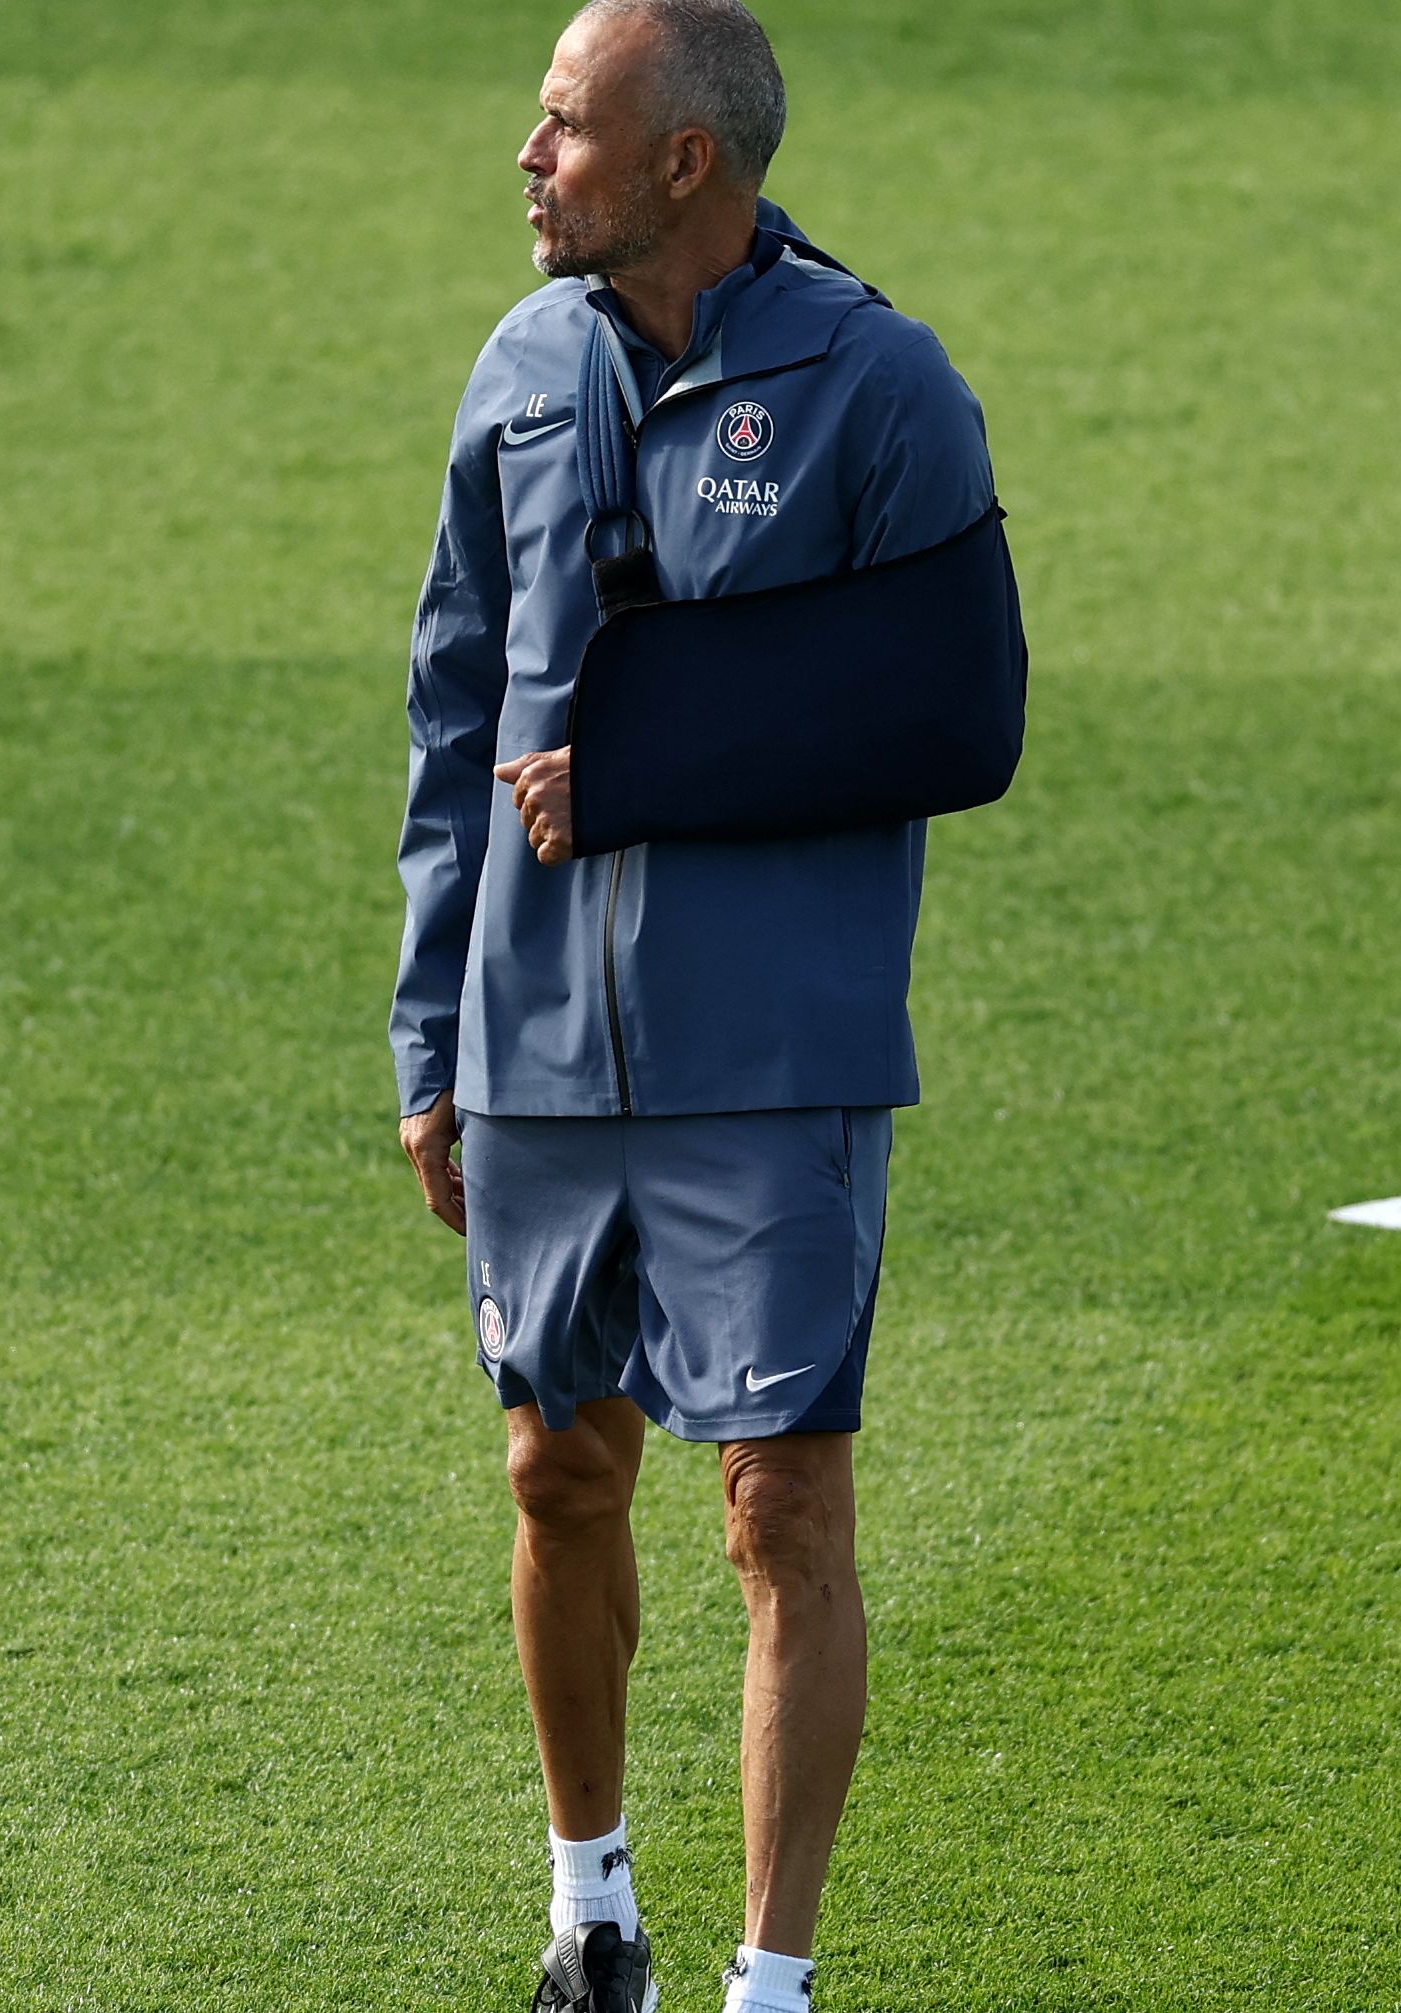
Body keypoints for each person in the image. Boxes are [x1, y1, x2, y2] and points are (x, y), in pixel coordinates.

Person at [386, 4, 996, 2010]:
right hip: (539, 1046)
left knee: (776, 1497)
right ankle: (590, 1908)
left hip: (769, 1058)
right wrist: (427, 1031)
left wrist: (660, 760)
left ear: (680, 165)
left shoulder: (872, 376)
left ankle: (768, 1983)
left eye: (562, 127)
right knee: (556, 1467)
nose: (524, 154)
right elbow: (454, 716)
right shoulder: (519, 369)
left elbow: (951, 710)